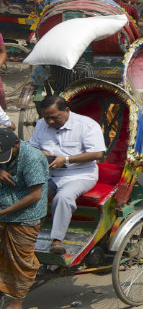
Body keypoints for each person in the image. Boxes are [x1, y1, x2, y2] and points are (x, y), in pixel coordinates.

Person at [28, 95, 104, 255]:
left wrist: (66, 160)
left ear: (67, 110)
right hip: (50, 174)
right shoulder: (41, 125)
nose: (49, 122)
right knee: (31, 194)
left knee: (63, 198)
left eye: (54, 118)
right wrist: (41, 153)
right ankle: (30, 233)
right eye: (46, 118)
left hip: (80, 175)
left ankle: (57, 240)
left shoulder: (86, 125)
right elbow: (31, 148)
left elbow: (97, 153)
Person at [0, 127, 47, 309]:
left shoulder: (32, 159)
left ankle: (17, 302)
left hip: (26, 215)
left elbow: (35, 195)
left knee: (21, 262)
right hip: (5, 207)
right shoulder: (6, 152)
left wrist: (4, 213)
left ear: (17, 144)